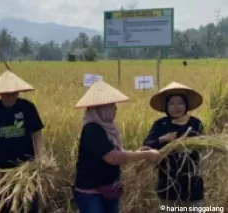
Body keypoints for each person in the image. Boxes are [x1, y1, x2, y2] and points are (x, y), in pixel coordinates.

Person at [73, 80, 162, 213]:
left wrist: (136, 152)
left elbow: (115, 153)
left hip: (109, 189)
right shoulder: (92, 129)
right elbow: (113, 157)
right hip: (91, 193)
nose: (116, 108)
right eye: (112, 105)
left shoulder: (108, 128)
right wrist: (146, 155)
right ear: (100, 107)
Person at [0, 71, 44, 213]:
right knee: (2, 208)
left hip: (27, 170)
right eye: (7, 94)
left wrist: (39, 157)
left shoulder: (28, 108)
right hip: (1, 173)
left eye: (15, 93)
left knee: (29, 208)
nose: (12, 97)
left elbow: (37, 133)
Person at [143, 82, 204, 213]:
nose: (176, 107)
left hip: (191, 184)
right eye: (171, 103)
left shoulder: (195, 123)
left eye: (180, 103)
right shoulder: (160, 125)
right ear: (166, 106)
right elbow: (147, 145)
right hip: (167, 184)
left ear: (186, 105)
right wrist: (163, 138)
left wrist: (185, 142)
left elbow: (201, 145)